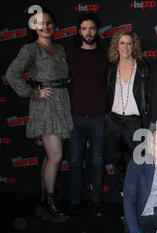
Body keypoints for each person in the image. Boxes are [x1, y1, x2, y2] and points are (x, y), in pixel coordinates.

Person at [6, 7, 72, 222]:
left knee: (50, 156)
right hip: (45, 107)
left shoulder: (59, 48)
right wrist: (34, 92)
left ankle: (43, 199)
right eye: (40, 23)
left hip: (61, 103)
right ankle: (51, 202)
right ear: (34, 26)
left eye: (49, 22)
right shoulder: (30, 49)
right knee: (56, 156)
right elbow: (12, 74)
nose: (45, 26)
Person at [66, 14, 107, 217]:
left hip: (99, 117)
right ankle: (74, 201)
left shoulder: (105, 56)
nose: (88, 32)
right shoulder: (71, 55)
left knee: (98, 161)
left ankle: (97, 200)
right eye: (84, 29)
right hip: (75, 117)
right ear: (78, 31)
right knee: (74, 161)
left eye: (92, 28)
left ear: (97, 31)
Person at [106, 30, 150, 195]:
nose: (125, 46)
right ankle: (124, 198)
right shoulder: (110, 68)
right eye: (122, 43)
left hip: (134, 121)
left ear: (134, 46)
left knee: (138, 161)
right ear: (116, 46)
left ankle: (137, 198)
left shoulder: (143, 67)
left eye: (129, 43)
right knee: (117, 163)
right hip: (113, 120)